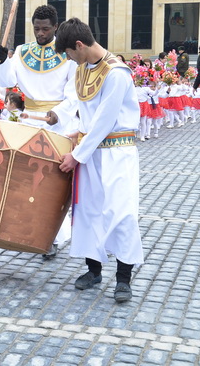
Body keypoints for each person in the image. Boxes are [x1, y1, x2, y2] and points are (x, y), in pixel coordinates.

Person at [55, 17, 144, 303]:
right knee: (89, 212)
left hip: (116, 152)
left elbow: (105, 120)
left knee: (121, 213)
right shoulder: (82, 69)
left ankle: (123, 279)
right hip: (90, 152)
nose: (69, 59)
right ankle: (93, 271)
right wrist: (73, 134)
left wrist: (76, 155)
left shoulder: (117, 73)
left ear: (79, 45)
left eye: (69, 53)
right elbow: (88, 114)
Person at [0, 4, 77, 257]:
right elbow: (6, 82)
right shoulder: (22, 51)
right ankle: (31, 230)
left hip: (58, 122)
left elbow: (74, 93)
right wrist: (2, 61)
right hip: (28, 121)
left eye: (45, 29)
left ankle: (54, 236)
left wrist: (58, 114)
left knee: (54, 181)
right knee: (27, 179)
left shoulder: (67, 54)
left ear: (55, 28)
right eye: (36, 28)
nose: (40, 33)